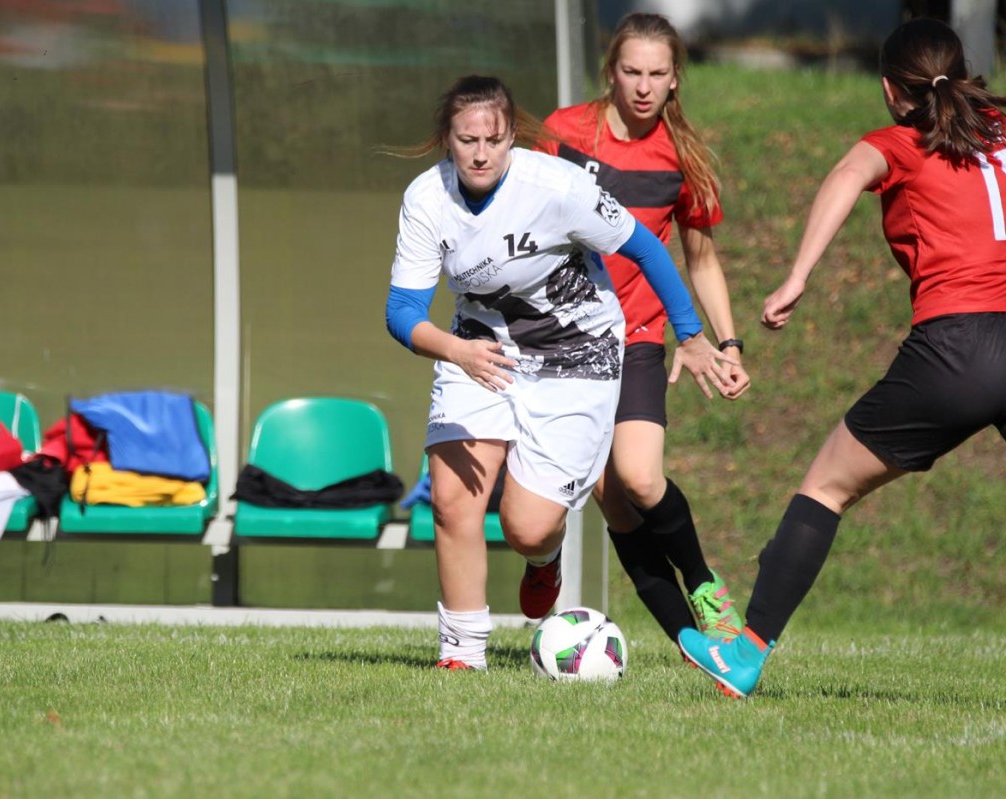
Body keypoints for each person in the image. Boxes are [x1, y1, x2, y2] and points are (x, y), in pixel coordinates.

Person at [679, 17, 1006, 698]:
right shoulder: (1000, 126)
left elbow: (846, 174)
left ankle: (744, 654)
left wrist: (797, 276)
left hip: (958, 348)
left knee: (827, 486)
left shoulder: (900, 142)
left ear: (889, 91)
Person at [384, 74, 737, 670]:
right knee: (451, 499)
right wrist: (455, 351)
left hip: (577, 356)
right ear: (447, 139)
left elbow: (646, 249)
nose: (480, 153)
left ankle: (543, 559)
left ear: (511, 137)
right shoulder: (427, 198)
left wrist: (694, 335)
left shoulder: (557, 186)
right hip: (479, 349)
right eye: (467, 140)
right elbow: (402, 312)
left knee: (526, 528)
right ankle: (462, 654)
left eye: (493, 140)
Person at [535, 12, 750, 648]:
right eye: (632, 71)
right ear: (611, 71)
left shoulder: (682, 156)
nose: (644, 87)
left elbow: (701, 259)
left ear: (676, 77)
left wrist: (728, 343)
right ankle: (695, 645)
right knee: (616, 504)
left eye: (658, 73)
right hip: (561, 343)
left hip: (636, 339)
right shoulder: (563, 133)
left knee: (639, 477)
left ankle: (705, 586)